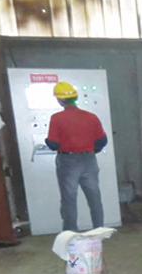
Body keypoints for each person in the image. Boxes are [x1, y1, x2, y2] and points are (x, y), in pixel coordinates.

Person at [45, 81, 107, 231]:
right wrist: (90, 151)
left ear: (59, 100)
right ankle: (99, 229)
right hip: (89, 160)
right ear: (75, 97)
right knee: (94, 196)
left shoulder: (57, 118)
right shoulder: (91, 117)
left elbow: (53, 144)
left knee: (69, 198)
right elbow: (102, 141)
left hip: (68, 161)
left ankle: (70, 232)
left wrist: (47, 141)